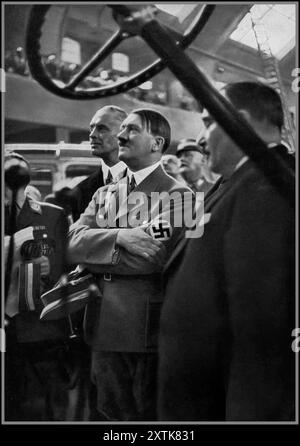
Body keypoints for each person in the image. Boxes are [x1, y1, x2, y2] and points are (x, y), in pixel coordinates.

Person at [158, 82, 295, 421]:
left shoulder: (268, 187)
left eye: (208, 122)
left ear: (241, 121)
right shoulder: (238, 182)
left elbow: (260, 330)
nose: (202, 139)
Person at [68, 108, 193, 421]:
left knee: (142, 414)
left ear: (156, 143)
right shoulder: (104, 193)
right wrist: (121, 236)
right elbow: (70, 244)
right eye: (120, 128)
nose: (121, 136)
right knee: (109, 412)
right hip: (102, 326)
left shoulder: (181, 196)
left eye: (132, 130)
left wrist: (94, 249)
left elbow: (148, 256)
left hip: (143, 328)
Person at [4, 151, 71, 421]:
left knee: (46, 408)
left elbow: (66, 271)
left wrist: (48, 271)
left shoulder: (52, 216)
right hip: (6, 331)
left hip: (41, 329)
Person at [71, 105, 128, 221]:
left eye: (102, 129)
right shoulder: (80, 191)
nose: (92, 134)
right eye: (91, 128)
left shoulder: (150, 183)